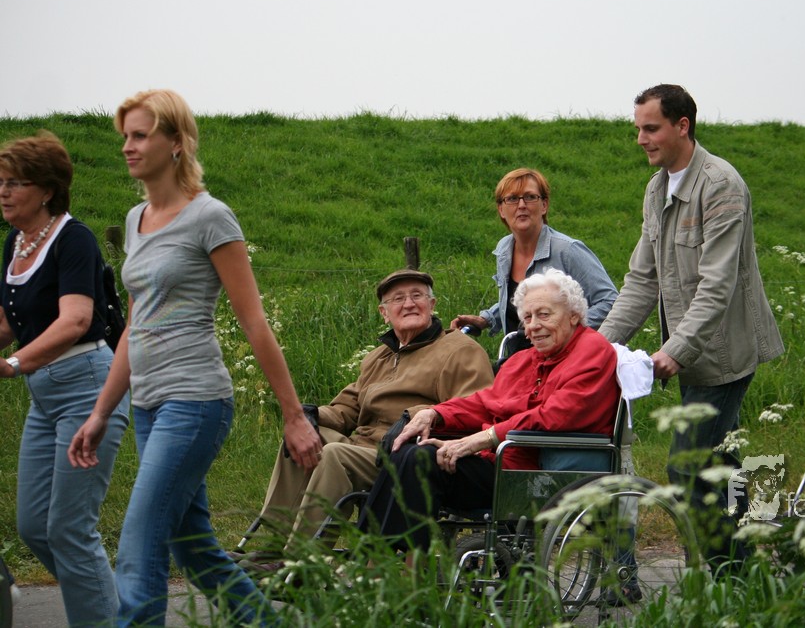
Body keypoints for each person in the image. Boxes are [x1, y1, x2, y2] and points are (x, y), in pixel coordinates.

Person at [67, 89, 323, 626]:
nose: (127, 147)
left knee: (140, 544)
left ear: (176, 142)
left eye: (140, 135)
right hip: (148, 405)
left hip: (195, 401)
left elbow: (254, 322)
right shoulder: (136, 219)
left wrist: (293, 415)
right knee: (196, 552)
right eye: (125, 136)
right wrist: (100, 411)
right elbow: (134, 327)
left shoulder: (211, 217)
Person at [596, 84, 784, 566]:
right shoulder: (656, 188)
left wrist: (674, 351)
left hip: (723, 353)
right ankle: (758, 558)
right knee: (722, 462)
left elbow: (718, 285)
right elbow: (642, 280)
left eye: (651, 128)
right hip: (690, 354)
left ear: (683, 126)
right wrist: (593, 347)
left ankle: (722, 572)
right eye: (638, 129)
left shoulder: (721, 185)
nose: (640, 139)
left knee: (688, 468)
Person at [359, 269, 620, 553]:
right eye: (527, 318)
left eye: (544, 315)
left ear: (573, 315)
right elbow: (485, 403)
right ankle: (379, 556)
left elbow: (556, 414)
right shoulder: (522, 360)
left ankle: (387, 561)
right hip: (500, 464)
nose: (534, 326)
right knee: (407, 450)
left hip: (533, 475)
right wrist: (435, 414)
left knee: (421, 460)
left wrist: (480, 439)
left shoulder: (593, 350)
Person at [255, 268, 493, 550]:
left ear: (432, 304)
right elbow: (347, 408)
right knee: (301, 438)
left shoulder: (460, 350)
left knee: (335, 454)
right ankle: (270, 549)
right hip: (363, 446)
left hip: (404, 454)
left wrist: (413, 416)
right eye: (398, 299)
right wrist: (311, 415)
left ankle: (302, 559)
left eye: (417, 296)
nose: (408, 304)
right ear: (384, 313)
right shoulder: (379, 356)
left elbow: (474, 406)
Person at [0, 133, 130, 626]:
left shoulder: (73, 239)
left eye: (16, 182)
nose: (4, 191)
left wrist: (13, 364)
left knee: (69, 530)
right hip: (45, 396)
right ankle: (112, 607)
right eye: (1, 182)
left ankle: (105, 618)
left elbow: (75, 320)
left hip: (88, 387)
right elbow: (8, 322)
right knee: (35, 526)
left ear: (48, 190)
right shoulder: (15, 243)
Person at [449, 168, 617, 361]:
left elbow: (611, 302)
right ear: (501, 210)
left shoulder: (567, 250)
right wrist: (486, 319)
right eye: (512, 199)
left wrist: (566, 329)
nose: (521, 205)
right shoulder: (504, 249)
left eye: (530, 197)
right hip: (519, 359)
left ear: (544, 205)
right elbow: (517, 301)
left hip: (563, 360)